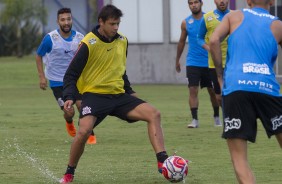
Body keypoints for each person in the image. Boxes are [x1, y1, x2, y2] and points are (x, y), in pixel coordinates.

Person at [59, 4, 168, 183]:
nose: (116, 28)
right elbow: (71, 74)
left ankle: (162, 161)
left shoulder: (123, 41)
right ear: (101, 22)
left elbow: (120, 70)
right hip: (94, 96)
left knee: (154, 114)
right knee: (84, 131)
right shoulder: (89, 42)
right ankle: (69, 173)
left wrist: (130, 92)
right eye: (112, 24)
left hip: (118, 96)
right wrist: (69, 97)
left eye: (118, 23)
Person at [209, 0, 282, 183]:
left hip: (236, 87)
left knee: (240, 159)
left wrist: (220, 76)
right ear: (272, 1)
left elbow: (213, 39)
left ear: (248, 1)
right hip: (268, 89)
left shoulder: (234, 16)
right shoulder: (278, 25)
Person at [35, 7, 97, 144]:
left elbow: (88, 58)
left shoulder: (80, 38)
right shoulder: (50, 39)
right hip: (57, 81)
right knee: (70, 112)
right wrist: (41, 77)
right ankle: (69, 122)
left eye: (68, 19)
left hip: (75, 80)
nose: (66, 22)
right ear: (58, 22)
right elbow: (38, 56)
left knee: (82, 106)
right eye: (63, 20)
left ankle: (89, 133)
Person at [175, 0, 221, 128]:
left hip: (209, 62)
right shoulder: (185, 22)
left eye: (196, 2)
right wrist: (177, 60)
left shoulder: (209, 19)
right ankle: (195, 120)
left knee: (213, 91)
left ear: (201, 4)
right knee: (193, 90)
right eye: (191, 3)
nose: (193, 5)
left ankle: (217, 117)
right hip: (193, 62)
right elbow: (181, 42)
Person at [198, 0, 230, 106]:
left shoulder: (235, 16)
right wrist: (208, 48)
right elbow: (199, 38)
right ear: (214, 1)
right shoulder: (207, 17)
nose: (222, 1)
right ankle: (226, 116)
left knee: (232, 94)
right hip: (214, 64)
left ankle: (231, 119)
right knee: (219, 97)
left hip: (232, 62)